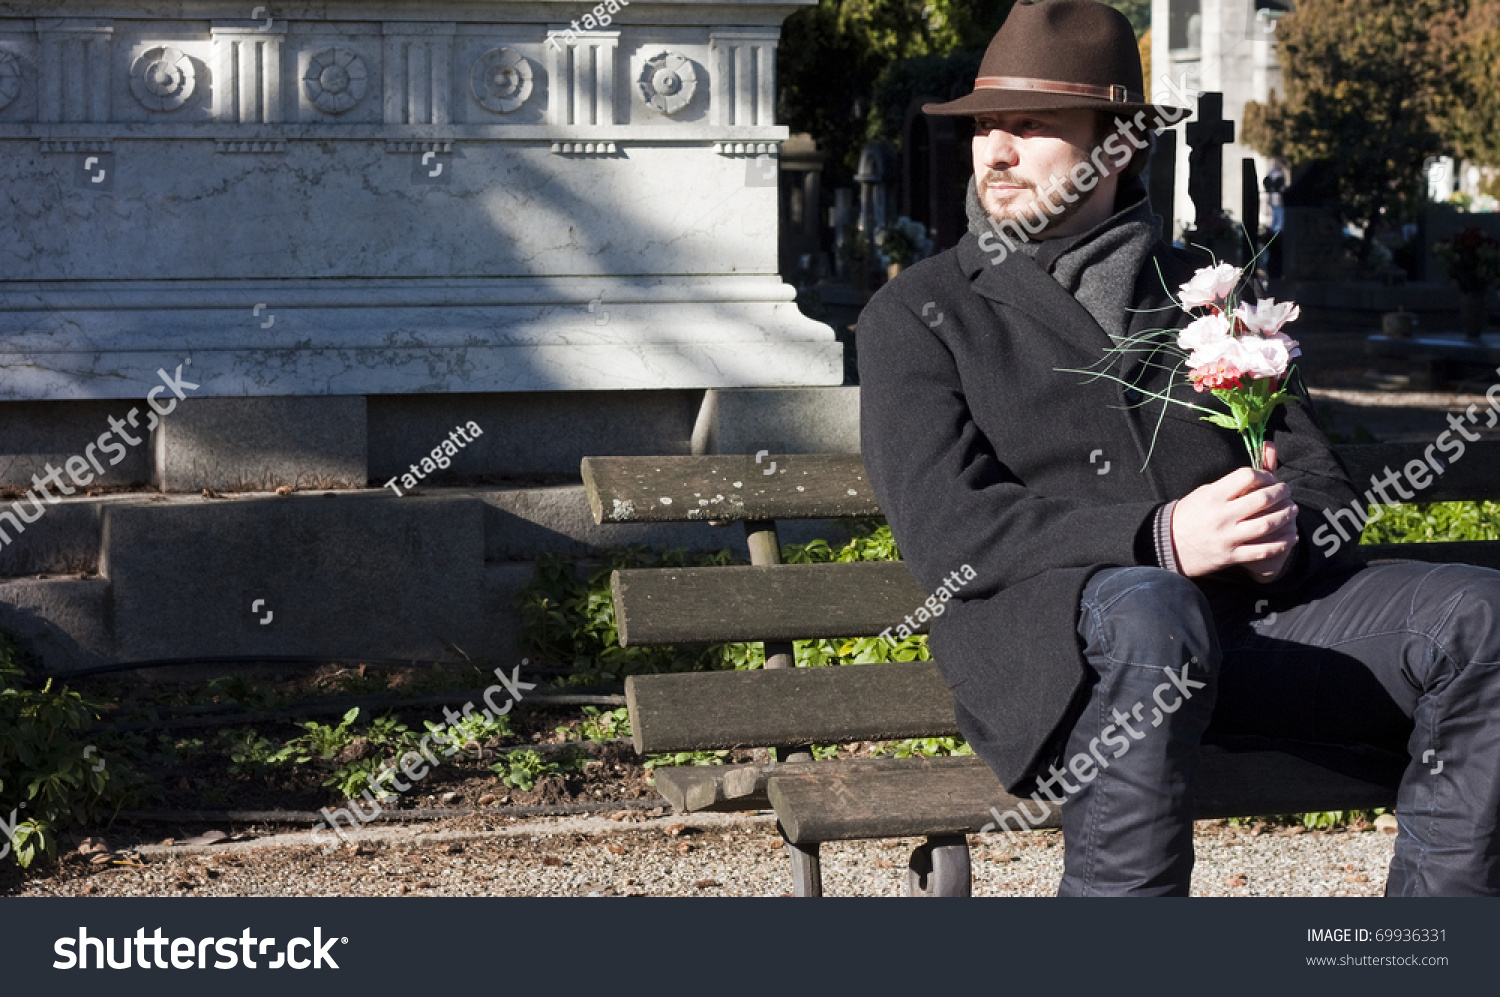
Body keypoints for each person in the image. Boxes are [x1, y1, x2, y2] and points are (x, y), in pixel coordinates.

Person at [856, 0, 1500, 896]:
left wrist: (1280, 531)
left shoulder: (1206, 292)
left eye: (1031, 126)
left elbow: (1317, 479)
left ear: (1117, 147)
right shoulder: (920, 313)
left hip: (1253, 634)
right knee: (1155, 611)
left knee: (1483, 618)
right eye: (985, 126)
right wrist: (1160, 538)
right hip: (1074, 655)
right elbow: (949, 530)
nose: (994, 151)